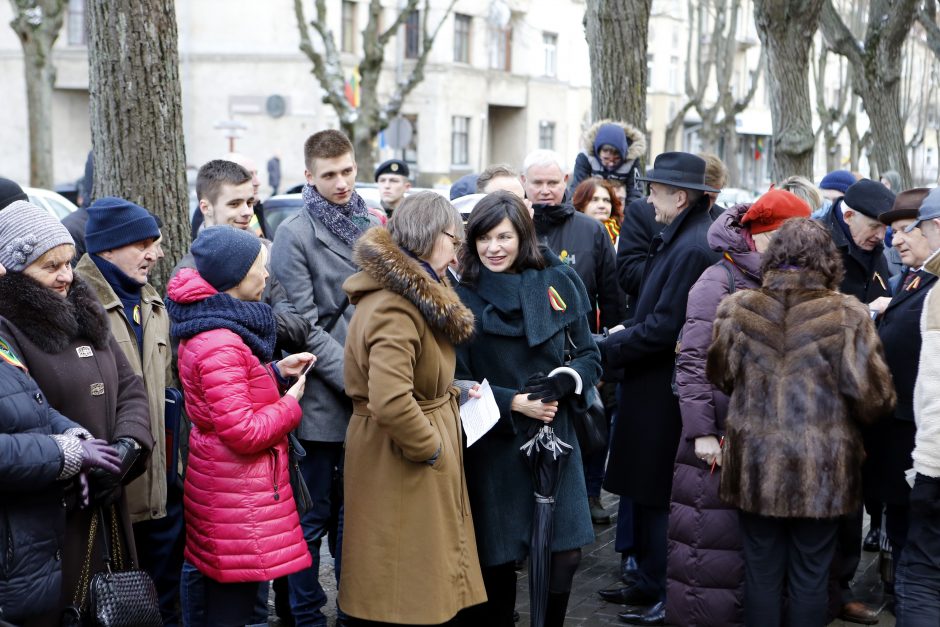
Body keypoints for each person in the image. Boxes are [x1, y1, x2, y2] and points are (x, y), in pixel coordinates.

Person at [706, 217, 895, 627]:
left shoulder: (738, 310)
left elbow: (720, 377)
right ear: (829, 262)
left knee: (761, 573)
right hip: (822, 469)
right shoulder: (848, 315)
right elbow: (874, 397)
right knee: (812, 577)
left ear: (773, 257)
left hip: (756, 466)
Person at [0, 200, 153, 620]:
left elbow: (130, 387)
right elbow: (29, 412)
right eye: (50, 267)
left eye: (69, 262)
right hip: (54, 511)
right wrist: (74, 458)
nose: (66, 276)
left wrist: (126, 448)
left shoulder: (85, 312)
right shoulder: (8, 328)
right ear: (14, 268)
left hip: (108, 494)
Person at [454, 191, 601, 626]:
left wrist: (565, 379)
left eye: (503, 236)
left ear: (524, 236)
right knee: (498, 559)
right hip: (496, 443)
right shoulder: (461, 297)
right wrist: (513, 401)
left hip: (558, 437)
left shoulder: (560, 281)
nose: (493, 247)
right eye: (483, 238)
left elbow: (590, 356)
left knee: (565, 552)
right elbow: (455, 380)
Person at [666, 189, 811, 627]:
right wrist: (703, 432)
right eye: (792, 235)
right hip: (718, 440)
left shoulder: (785, 277)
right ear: (766, 235)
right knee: (707, 551)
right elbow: (691, 361)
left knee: (752, 557)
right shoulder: (720, 279)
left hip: (767, 443)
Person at [340, 192, 485, 625]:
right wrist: (431, 447)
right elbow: (390, 398)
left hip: (409, 449)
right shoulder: (396, 304)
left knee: (415, 576)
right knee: (404, 584)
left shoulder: (412, 293)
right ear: (429, 237)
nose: (457, 249)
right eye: (452, 238)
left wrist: (454, 390)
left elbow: (412, 376)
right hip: (400, 457)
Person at [167, 226, 314, 626]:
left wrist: (275, 372)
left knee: (227, 600)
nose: (267, 277)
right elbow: (243, 431)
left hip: (226, 489)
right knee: (231, 607)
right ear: (236, 277)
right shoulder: (221, 342)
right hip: (236, 497)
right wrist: (289, 403)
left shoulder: (214, 330)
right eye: (260, 269)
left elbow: (227, 397)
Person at [598, 152, 721, 625]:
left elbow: (666, 327)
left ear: (681, 196)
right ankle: (648, 583)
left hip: (661, 391)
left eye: (655, 191)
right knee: (646, 492)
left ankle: (665, 594)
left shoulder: (691, 246)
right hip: (649, 382)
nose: (649, 199)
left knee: (658, 495)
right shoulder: (680, 236)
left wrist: (609, 348)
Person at [271, 129, 380, 625]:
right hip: (323, 400)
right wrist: (361, 382)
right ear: (309, 176)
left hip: (373, 397)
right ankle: (305, 616)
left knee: (354, 521)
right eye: (329, 174)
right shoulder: (294, 233)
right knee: (309, 522)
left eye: (348, 171)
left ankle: (354, 611)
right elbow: (303, 328)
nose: (340, 182)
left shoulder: (375, 222)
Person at [72, 196, 184, 625]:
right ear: (107, 249)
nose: (155, 254)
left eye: (155, 243)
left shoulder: (154, 304)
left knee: (163, 604)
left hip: (161, 493)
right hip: (109, 495)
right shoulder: (78, 305)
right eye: (143, 244)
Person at [0, 249, 122, 626]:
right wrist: (65, 452)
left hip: (27, 551)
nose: (3, 269)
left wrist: (72, 432)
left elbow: (26, 401)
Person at [865, 189, 935, 582]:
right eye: (893, 232)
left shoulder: (933, 282)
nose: (897, 239)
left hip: (919, 427)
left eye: (907, 230)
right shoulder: (910, 279)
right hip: (897, 423)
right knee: (899, 517)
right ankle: (900, 590)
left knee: (914, 523)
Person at [893, 187, 940, 624]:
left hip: (935, 462)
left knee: (922, 575)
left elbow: (932, 391)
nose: (900, 239)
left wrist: (923, 464)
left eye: (915, 228)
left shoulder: (937, 293)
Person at [521, 149, 625, 333]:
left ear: (565, 180)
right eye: (538, 183)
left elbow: (612, 296)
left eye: (552, 182)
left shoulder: (592, 230)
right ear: (524, 181)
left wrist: (608, 346)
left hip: (580, 346)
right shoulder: (511, 229)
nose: (545, 190)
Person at [568, 120, 647, 204]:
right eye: (606, 159)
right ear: (598, 152)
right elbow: (577, 188)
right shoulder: (585, 157)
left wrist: (629, 215)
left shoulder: (631, 160)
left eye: (616, 159)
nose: (611, 164)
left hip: (620, 205)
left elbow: (635, 193)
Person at [571, 178, 624, 248]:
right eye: (594, 200)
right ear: (581, 206)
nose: (602, 205)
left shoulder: (624, 235)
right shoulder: (570, 234)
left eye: (606, 200)